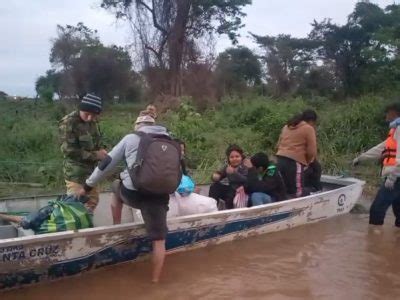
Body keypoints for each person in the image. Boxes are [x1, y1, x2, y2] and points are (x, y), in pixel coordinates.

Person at [78, 112, 171, 283]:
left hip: (134, 194)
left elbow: (107, 164)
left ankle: (117, 226)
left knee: (116, 185)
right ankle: (156, 281)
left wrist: (87, 186)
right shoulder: (169, 139)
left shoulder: (131, 138)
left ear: (137, 125)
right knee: (159, 240)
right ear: (154, 124)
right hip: (159, 196)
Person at [353, 103, 400, 228]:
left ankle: (374, 239)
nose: (386, 115)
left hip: (395, 177)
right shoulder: (395, 130)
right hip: (396, 176)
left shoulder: (399, 129)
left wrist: (392, 177)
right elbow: (381, 148)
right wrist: (360, 158)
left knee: (376, 210)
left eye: (388, 112)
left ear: (394, 112)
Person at [59, 93, 107, 213]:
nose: (90, 118)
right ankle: (77, 231)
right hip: (76, 174)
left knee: (92, 202)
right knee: (76, 208)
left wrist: (103, 151)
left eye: (94, 115)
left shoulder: (92, 122)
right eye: (87, 114)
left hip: (91, 173)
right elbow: (69, 151)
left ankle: (86, 229)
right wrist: (96, 155)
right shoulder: (68, 123)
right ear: (81, 109)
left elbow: (98, 141)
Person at [276, 109, 318, 198]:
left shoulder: (286, 126)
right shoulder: (308, 128)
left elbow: (278, 144)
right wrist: (307, 161)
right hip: (294, 161)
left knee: (284, 189)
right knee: (298, 192)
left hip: (280, 159)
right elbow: (312, 151)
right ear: (311, 121)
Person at [209, 144, 249, 209]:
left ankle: (230, 213)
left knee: (230, 194)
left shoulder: (245, 166)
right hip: (230, 190)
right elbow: (219, 174)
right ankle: (212, 208)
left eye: (237, 156)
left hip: (243, 191)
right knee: (214, 186)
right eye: (232, 157)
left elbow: (246, 180)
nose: (234, 159)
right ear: (228, 158)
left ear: (241, 157)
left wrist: (234, 173)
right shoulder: (228, 167)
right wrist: (215, 176)